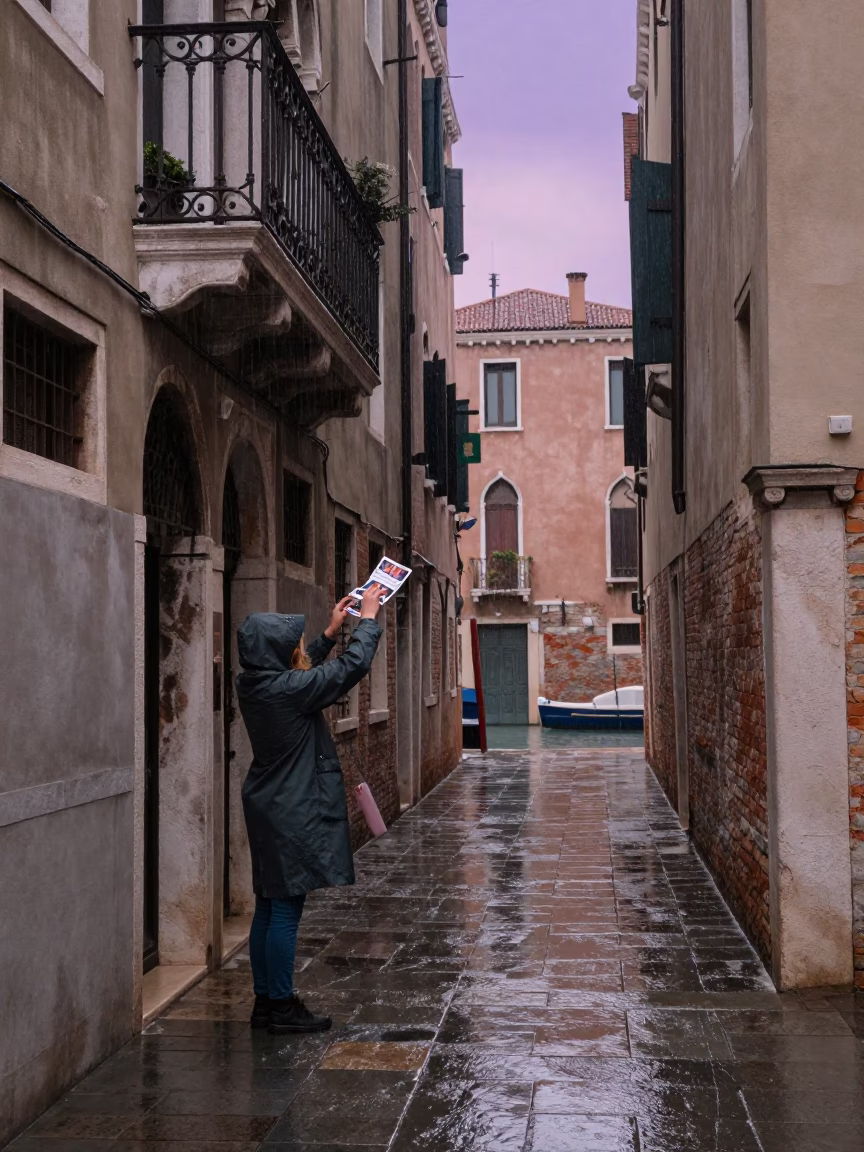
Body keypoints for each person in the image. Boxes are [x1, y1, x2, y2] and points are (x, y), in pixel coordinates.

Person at [236, 586, 383, 1034]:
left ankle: (266, 1003)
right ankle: (279, 1005)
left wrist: (329, 634)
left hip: (267, 802)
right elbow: (350, 670)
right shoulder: (287, 691)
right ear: (276, 652)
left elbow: (302, 674)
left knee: (268, 903)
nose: (298, 647)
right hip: (290, 806)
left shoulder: (256, 683)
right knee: (285, 908)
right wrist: (369, 621)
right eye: (292, 644)